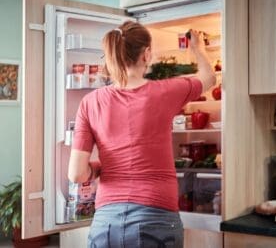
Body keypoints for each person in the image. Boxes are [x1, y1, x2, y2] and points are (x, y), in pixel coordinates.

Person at [68, 21, 216, 248]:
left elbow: (77, 174)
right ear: (146, 55)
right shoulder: (164, 92)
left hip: (106, 223)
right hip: (156, 218)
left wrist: (102, 166)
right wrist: (198, 47)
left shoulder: (90, 102)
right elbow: (208, 77)